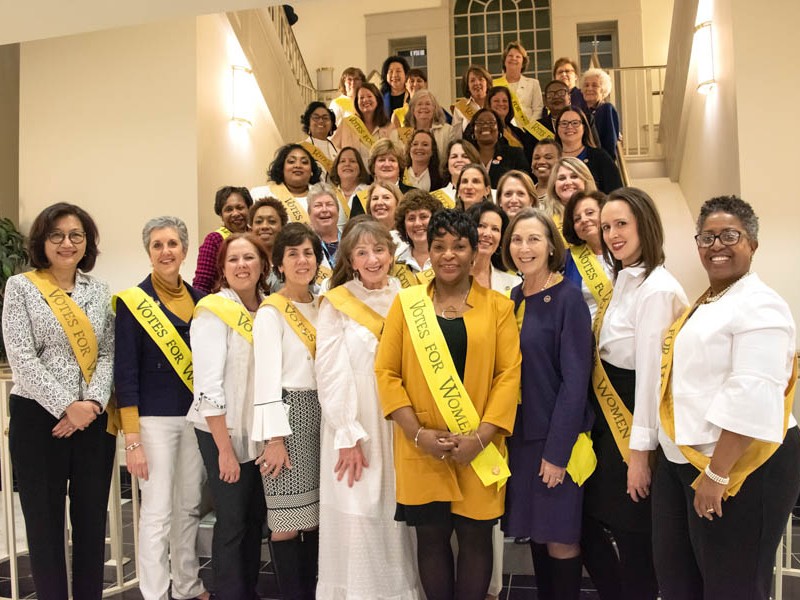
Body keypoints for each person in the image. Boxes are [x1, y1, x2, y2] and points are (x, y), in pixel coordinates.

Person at [653, 196, 800, 600]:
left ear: (752, 243)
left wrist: (717, 475)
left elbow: (750, 391)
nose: (716, 245)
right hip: (688, 459)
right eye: (707, 237)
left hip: (740, 466)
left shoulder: (761, 303)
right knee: (679, 580)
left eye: (729, 235)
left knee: (731, 586)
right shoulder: (709, 301)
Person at [375, 209, 521, 600]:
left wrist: (483, 435)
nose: (449, 255)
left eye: (459, 246)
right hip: (422, 448)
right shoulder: (406, 305)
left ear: (475, 252)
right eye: (439, 246)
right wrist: (416, 432)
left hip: (479, 447)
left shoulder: (499, 307)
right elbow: (387, 373)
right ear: (429, 250)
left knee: (476, 540)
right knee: (432, 540)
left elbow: (508, 376)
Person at [3, 202, 115, 600]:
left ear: (87, 243)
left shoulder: (99, 290)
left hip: (93, 421)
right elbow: (22, 358)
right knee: (45, 525)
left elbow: (107, 354)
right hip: (39, 419)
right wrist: (68, 404)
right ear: (42, 241)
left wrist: (92, 406)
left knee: (90, 523)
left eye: (76, 236)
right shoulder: (22, 287)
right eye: (58, 236)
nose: (67, 243)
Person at [580, 187, 688, 600]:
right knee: (591, 521)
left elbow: (649, 380)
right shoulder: (625, 279)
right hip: (608, 423)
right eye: (606, 226)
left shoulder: (658, 288)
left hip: (633, 424)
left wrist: (639, 457)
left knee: (635, 538)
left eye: (621, 224)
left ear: (645, 223)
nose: (611, 234)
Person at [316, 216, 420, 599]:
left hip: (401, 420)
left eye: (379, 250)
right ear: (351, 259)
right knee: (359, 511)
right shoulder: (338, 302)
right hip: (356, 420)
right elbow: (329, 371)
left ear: (392, 254)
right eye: (362, 252)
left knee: (399, 516)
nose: (373, 259)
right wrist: (346, 431)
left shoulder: (411, 297)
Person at [114, 216, 208, 600]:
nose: (166, 251)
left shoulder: (202, 300)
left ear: (184, 250)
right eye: (157, 245)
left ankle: (186, 584)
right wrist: (132, 439)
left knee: (188, 507)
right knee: (156, 512)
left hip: (196, 418)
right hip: (154, 421)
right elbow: (126, 373)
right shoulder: (134, 303)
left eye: (172, 244)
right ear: (149, 253)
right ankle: (154, 593)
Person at [502, 208, 594, 600]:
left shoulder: (568, 299)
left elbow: (576, 383)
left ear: (551, 246)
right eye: (518, 239)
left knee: (560, 538)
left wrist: (557, 453)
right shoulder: (515, 296)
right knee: (538, 535)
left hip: (557, 439)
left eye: (534, 239)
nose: (525, 248)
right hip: (521, 438)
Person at [188, 232, 269, 600]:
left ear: (263, 264)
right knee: (233, 521)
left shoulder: (270, 308)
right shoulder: (213, 310)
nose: (242, 265)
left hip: (260, 431)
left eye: (249, 257)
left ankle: (247, 591)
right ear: (222, 267)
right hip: (222, 429)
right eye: (233, 259)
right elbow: (207, 385)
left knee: (255, 521)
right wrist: (224, 449)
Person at [252, 223, 323, 599]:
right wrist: (274, 439)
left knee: (313, 520)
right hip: (288, 416)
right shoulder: (272, 312)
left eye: (308, 252)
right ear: (279, 262)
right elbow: (265, 379)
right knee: (285, 521)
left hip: (321, 415)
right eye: (292, 253)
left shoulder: (324, 305)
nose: (301, 260)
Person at [562, 190, 613, 319]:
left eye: (590, 213)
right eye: (577, 219)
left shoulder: (624, 249)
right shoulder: (567, 259)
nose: (584, 220)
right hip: (587, 334)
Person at [193, 186, 253, 293]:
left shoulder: (256, 237)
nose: (235, 213)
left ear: (249, 209)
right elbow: (202, 285)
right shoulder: (214, 240)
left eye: (240, 207)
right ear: (221, 215)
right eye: (228, 209)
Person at [251, 143, 323, 225]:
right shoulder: (260, 194)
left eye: (304, 162)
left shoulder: (323, 196)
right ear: (282, 168)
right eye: (291, 161)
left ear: (311, 171)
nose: (298, 165)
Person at [554, 107, 622, 194]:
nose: (569, 126)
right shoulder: (551, 158)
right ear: (557, 128)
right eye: (564, 123)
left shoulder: (600, 157)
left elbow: (615, 192)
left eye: (575, 123)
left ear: (584, 128)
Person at [464, 108, 530, 187]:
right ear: (473, 130)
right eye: (480, 123)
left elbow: (525, 183)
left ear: (499, 129)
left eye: (491, 122)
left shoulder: (515, 154)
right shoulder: (465, 155)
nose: (485, 126)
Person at [332, 82, 394, 164]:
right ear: (356, 102)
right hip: (354, 175)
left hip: (381, 174)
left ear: (377, 99)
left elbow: (395, 154)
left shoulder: (389, 126)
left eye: (369, 96)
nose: (365, 100)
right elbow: (332, 149)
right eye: (361, 98)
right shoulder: (347, 123)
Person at [466, 201, 520, 295]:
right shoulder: (441, 275)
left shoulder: (514, 284)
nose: (487, 234)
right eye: (481, 226)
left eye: (495, 229)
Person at [351, 139, 412, 217]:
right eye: (382, 160)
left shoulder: (414, 194)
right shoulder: (360, 199)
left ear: (399, 166)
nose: (387, 164)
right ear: (373, 167)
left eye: (392, 160)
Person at [394, 189, 443, 280]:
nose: (417, 223)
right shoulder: (396, 264)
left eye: (423, 217)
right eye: (411, 218)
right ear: (403, 224)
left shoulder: (448, 257)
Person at [397, 90, 455, 164]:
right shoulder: (402, 133)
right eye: (419, 104)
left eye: (428, 104)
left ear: (434, 108)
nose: (424, 107)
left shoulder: (448, 131)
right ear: (413, 109)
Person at [493, 41, 544, 122]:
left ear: (523, 63)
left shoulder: (533, 84)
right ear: (504, 61)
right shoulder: (494, 84)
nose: (513, 58)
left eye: (518, 57)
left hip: (527, 131)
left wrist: (529, 131)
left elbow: (538, 110)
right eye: (510, 56)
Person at [544, 157, 597, 234]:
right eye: (562, 178)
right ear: (553, 185)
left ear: (585, 181)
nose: (568, 182)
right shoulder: (545, 220)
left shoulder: (602, 210)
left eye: (574, 176)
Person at [486, 85, 536, 165]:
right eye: (496, 101)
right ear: (489, 104)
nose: (501, 104)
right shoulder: (484, 130)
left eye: (505, 101)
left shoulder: (517, 131)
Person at [581, 68, 621, 161]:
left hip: (600, 162)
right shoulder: (582, 112)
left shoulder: (607, 109)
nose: (589, 88)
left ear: (603, 91)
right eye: (586, 85)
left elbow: (610, 143)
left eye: (595, 85)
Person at [328, 146, 370, 226]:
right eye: (342, 161)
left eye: (352, 161)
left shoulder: (369, 192)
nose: (347, 164)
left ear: (360, 167)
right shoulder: (329, 194)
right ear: (336, 167)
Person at [307, 183, 341, 284]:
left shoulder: (352, 240)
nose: (324, 210)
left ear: (338, 211)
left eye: (329, 204)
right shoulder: (303, 244)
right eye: (318, 205)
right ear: (309, 213)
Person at [300, 101, 339, 179]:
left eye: (325, 118)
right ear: (308, 122)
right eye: (316, 117)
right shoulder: (301, 149)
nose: (321, 121)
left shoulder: (338, 151)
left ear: (331, 124)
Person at [452, 65, 493, 138]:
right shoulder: (460, 108)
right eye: (472, 80)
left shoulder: (496, 103)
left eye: (481, 79)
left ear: (487, 83)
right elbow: (457, 138)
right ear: (467, 86)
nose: (477, 83)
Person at [440, 139, 480, 206]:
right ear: (447, 163)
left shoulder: (492, 195)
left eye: (465, 156)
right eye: (454, 156)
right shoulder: (433, 198)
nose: (459, 160)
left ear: (474, 161)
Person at [531, 140, 561, 204]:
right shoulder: (525, 194)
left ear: (560, 161)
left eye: (548, 157)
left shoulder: (565, 193)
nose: (541, 162)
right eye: (537, 158)